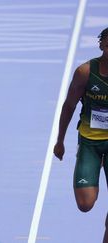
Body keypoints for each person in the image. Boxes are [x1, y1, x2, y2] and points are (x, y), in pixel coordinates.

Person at [54, 27, 108, 242]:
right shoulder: (85, 72)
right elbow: (68, 106)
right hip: (90, 143)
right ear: (102, 45)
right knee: (85, 204)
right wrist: (60, 140)